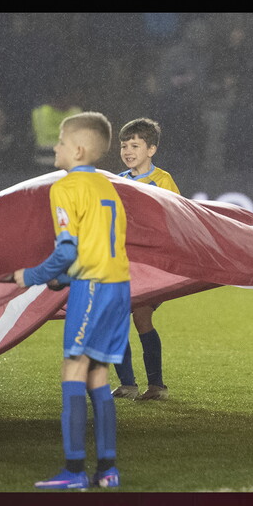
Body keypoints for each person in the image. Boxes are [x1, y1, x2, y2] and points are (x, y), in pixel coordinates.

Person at [12, 112, 129, 489]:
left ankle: (75, 471)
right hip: (118, 287)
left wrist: (29, 276)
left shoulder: (64, 188)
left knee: (73, 370)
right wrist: (64, 278)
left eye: (60, 142)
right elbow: (96, 245)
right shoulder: (108, 188)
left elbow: (66, 251)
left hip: (92, 287)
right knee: (98, 374)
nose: (55, 148)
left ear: (77, 149)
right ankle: (108, 471)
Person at [110, 118, 180, 402]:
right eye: (124, 146)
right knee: (114, 321)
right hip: (123, 264)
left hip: (153, 265)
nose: (128, 151)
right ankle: (127, 384)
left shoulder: (163, 181)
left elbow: (177, 219)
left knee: (141, 316)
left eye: (135, 146)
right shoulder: (117, 181)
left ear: (151, 150)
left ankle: (157, 386)